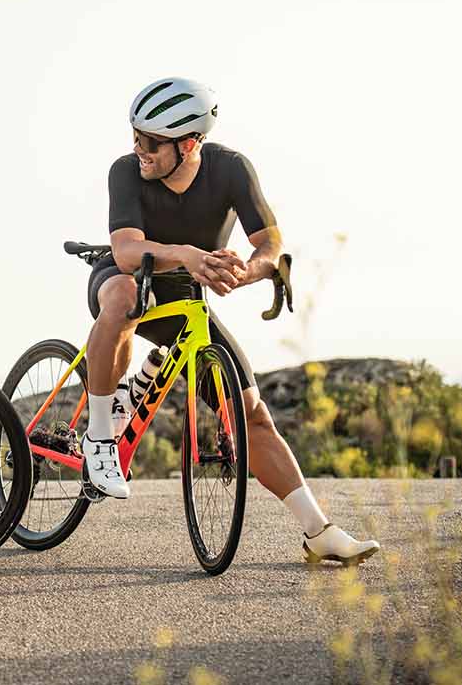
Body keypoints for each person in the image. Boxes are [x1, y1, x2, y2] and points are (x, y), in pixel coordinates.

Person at [80, 76, 379, 565]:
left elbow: (270, 245)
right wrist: (187, 254)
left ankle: (317, 530)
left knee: (250, 412)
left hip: (185, 297)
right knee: (125, 297)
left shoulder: (231, 169)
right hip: (127, 276)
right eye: (136, 136)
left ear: (190, 143)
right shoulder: (126, 171)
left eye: (151, 142)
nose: (140, 149)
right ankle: (99, 436)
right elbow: (128, 250)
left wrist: (242, 272)